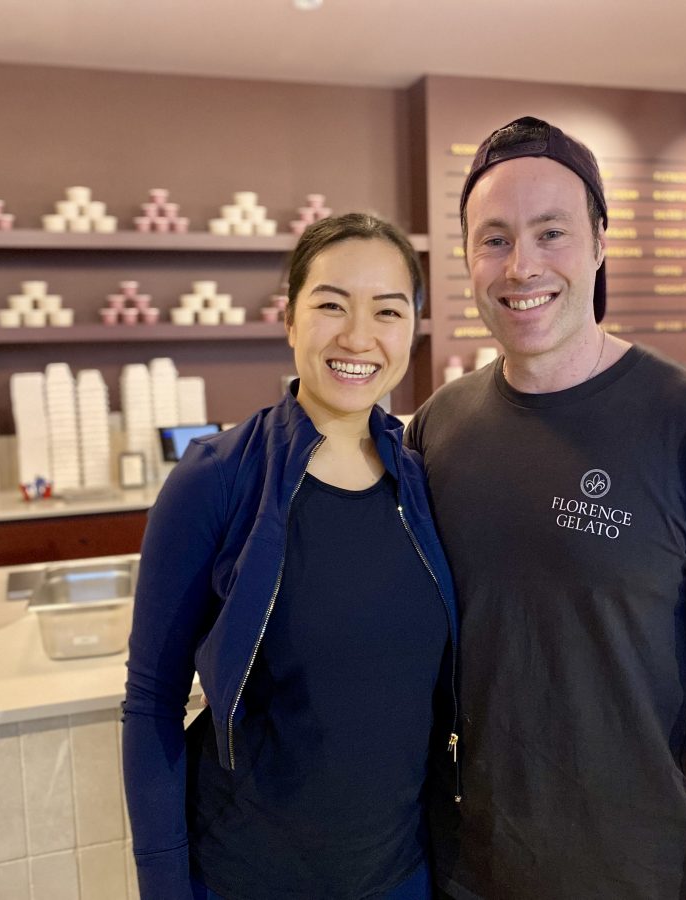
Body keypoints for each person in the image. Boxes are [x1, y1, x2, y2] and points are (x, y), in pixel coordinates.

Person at [405, 117, 686, 900]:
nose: (521, 264)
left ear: (600, 240)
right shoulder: (437, 429)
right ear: (466, 257)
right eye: (493, 239)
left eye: (550, 231)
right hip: (466, 874)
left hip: (651, 877)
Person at [121, 213, 458, 900]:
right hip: (249, 876)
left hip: (403, 877)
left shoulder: (424, 483)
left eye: (387, 311)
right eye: (331, 305)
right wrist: (162, 885)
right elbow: (151, 702)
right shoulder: (215, 479)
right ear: (290, 320)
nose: (358, 337)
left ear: (412, 330)